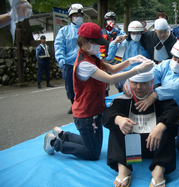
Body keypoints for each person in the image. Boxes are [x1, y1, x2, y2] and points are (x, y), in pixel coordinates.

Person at [43, 22, 155, 161]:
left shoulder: (93, 57)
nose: (99, 46)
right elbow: (110, 78)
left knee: (93, 144)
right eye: (96, 43)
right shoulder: (84, 64)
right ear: (84, 42)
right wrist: (137, 70)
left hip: (95, 109)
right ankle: (54, 143)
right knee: (93, 153)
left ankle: (62, 134)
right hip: (86, 114)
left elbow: (113, 69)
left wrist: (131, 61)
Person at [102, 71, 179, 187]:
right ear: (128, 82)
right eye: (134, 83)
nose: (139, 87)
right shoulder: (122, 99)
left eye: (144, 83)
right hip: (130, 149)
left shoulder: (161, 98)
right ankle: (123, 169)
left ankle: (159, 170)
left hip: (155, 146)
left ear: (152, 82)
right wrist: (119, 120)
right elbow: (107, 114)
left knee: (167, 126)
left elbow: (174, 112)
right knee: (116, 124)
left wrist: (160, 127)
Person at [129, 40, 179, 154]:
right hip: (169, 109)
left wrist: (155, 94)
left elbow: (178, 87)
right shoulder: (165, 65)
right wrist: (131, 80)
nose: (176, 62)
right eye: (175, 58)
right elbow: (150, 75)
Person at [54, 3, 84, 114]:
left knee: (85, 84)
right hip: (70, 63)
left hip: (84, 62)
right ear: (70, 17)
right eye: (75, 15)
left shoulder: (86, 29)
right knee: (70, 86)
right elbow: (59, 45)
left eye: (79, 14)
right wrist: (60, 57)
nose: (77, 17)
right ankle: (74, 104)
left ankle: (84, 103)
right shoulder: (64, 31)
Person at [106, 20, 149, 92]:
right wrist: (114, 43)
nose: (135, 35)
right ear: (129, 33)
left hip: (142, 74)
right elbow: (114, 58)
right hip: (126, 74)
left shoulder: (146, 43)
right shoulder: (124, 44)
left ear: (142, 33)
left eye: (138, 33)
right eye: (133, 33)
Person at [99, 11, 126, 96]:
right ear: (105, 20)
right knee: (104, 83)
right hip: (104, 59)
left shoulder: (119, 31)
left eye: (112, 19)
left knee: (119, 82)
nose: (110, 21)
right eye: (109, 19)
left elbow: (125, 40)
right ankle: (104, 100)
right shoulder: (101, 32)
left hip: (116, 60)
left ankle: (123, 98)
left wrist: (122, 37)